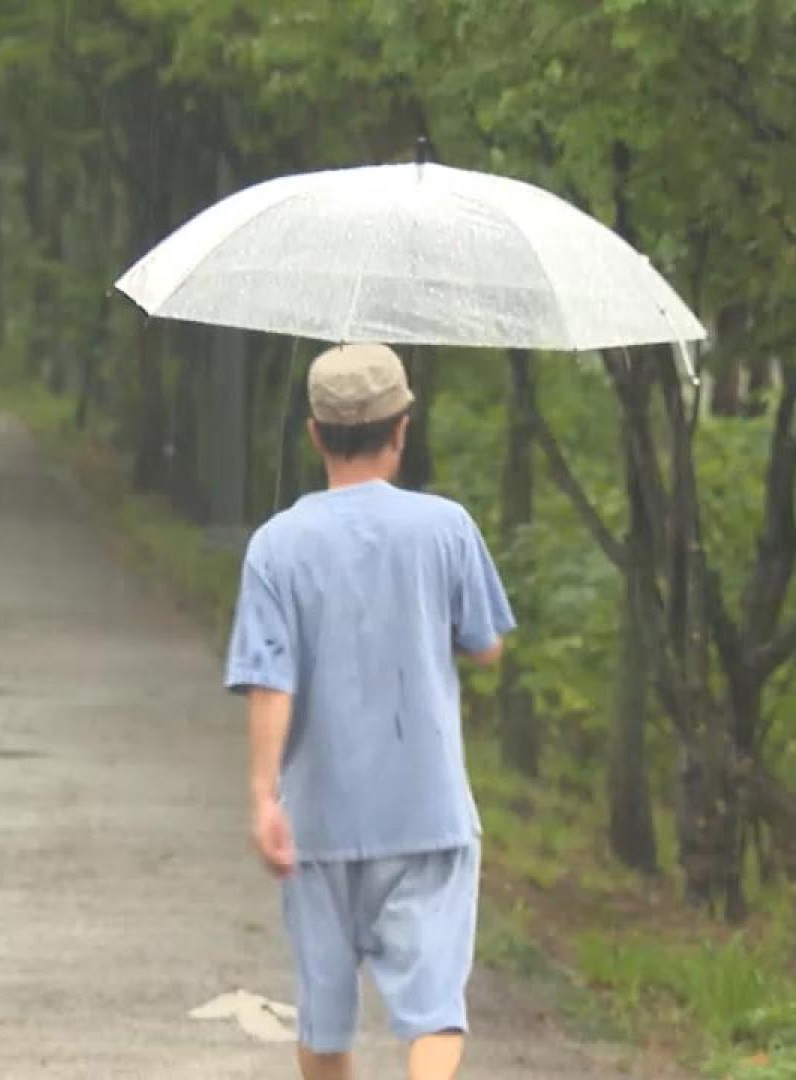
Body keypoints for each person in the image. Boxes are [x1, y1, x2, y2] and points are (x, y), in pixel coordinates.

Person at [224, 342, 515, 1080]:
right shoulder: (446, 527)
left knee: (324, 1019)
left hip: (317, 818)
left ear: (315, 433)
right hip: (427, 812)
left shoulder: (276, 545)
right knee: (435, 1010)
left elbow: (269, 680)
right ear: (402, 428)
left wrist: (263, 797)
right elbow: (486, 648)